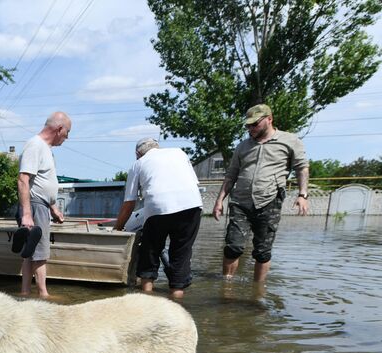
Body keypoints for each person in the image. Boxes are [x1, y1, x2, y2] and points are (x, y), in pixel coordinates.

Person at [212, 104, 309, 282]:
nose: (250, 128)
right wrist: (219, 201)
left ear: (269, 119)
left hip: (269, 201)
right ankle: (226, 287)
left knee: (262, 251)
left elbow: (302, 167)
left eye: (254, 124)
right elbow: (231, 174)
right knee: (233, 246)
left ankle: (257, 292)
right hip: (240, 202)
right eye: (248, 125)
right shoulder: (242, 147)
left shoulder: (289, 141)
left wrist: (302, 195)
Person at [114, 138, 203, 298]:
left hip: (158, 207)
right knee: (181, 255)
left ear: (137, 154)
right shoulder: (179, 153)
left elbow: (129, 203)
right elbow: (193, 183)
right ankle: (177, 301)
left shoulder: (139, 163)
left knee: (150, 252)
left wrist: (117, 229)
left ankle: (147, 300)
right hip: (192, 206)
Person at [16, 112, 71, 297]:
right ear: (59, 129)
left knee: (30, 251)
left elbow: (41, 183)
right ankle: (44, 295)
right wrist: (26, 213)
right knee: (40, 253)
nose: (67, 137)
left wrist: (53, 208)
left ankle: (25, 293)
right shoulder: (35, 145)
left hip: (41, 205)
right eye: (67, 132)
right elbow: (23, 179)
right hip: (34, 205)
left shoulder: (45, 149)